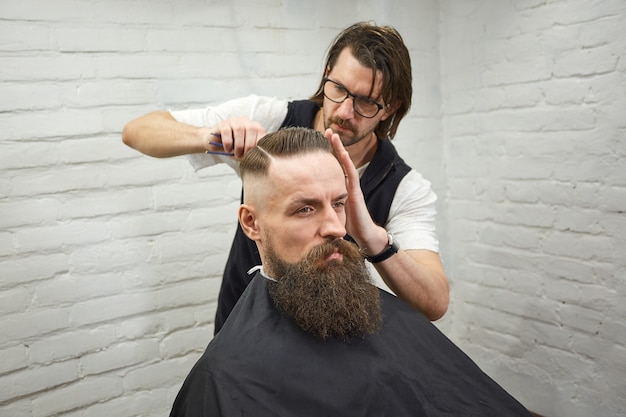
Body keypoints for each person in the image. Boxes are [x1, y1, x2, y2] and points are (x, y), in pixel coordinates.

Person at [168, 127, 533, 417]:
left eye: (338, 203)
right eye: (305, 210)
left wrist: (372, 234)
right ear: (252, 223)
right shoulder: (223, 378)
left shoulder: (367, 300)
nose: (335, 228)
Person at [122, 22, 449, 333]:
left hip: (333, 346)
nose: (345, 111)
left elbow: (434, 303)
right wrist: (212, 137)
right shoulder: (271, 121)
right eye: (339, 89)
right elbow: (137, 131)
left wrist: (373, 239)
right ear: (327, 74)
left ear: (390, 108)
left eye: (366, 102)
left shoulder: (404, 187)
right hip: (245, 329)